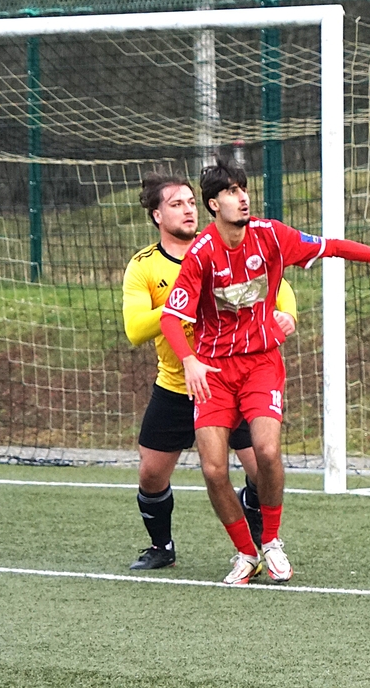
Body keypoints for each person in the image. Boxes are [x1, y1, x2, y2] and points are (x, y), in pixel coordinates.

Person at [159, 159, 370, 584]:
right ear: (214, 204)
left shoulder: (271, 235)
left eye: (243, 189)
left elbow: (328, 246)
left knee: (267, 451)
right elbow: (169, 319)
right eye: (232, 192)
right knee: (213, 470)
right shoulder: (201, 254)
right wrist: (190, 360)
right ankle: (245, 553)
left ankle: (270, 542)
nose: (243, 197)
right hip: (215, 370)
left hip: (261, 362)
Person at [122, 171, 299, 570]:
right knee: (151, 474)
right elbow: (134, 329)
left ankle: (259, 538)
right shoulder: (144, 266)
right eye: (176, 204)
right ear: (157, 216)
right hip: (176, 384)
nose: (188, 210)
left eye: (190, 202)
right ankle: (161, 547)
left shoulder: (221, 246)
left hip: (228, 378)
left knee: (262, 465)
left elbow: (279, 287)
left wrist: (288, 315)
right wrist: (182, 303)